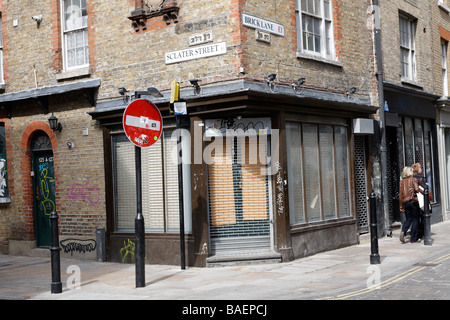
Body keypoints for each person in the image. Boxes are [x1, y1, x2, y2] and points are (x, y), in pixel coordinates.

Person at [399, 166, 423, 243]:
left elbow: (400, 195)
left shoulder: (402, 182)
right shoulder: (414, 179)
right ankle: (413, 239)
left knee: (408, 219)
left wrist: (401, 205)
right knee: (415, 220)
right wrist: (423, 191)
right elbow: (416, 189)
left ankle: (403, 231)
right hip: (413, 202)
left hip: (405, 202)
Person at [412, 163, 427, 239]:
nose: (421, 169)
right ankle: (423, 232)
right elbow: (425, 189)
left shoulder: (411, 178)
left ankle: (417, 233)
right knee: (424, 216)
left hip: (414, 200)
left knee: (416, 217)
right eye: (420, 168)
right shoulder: (421, 178)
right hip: (421, 199)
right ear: (417, 170)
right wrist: (426, 185)